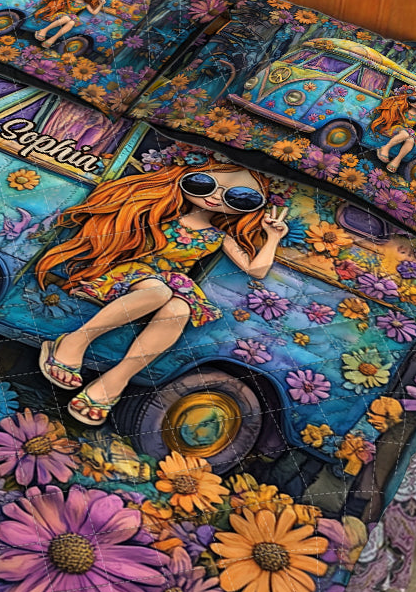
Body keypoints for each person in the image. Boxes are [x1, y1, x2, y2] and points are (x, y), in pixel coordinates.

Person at [33, 161, 289, 426]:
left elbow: (257, 269)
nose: (215, 197)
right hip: (137, 273)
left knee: (179, 310)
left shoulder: (218, 236)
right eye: (204, 184)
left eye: (238, 197)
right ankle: (74, 341)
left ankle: (115, 380)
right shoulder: (163, 213)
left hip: (175, 282)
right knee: (158, 292)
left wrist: (272, 237)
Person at [371, 86, 416, 173]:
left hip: (407, 131)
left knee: (411, 140)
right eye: (413, 99)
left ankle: (397, 160)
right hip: (397, 128)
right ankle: (385, 148)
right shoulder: (404, 109)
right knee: (405, 134)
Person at [33, 0, 105, 49]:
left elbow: (94, 12)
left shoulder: (86, 4)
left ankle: (53, 39)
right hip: (61, 14)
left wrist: (100, 4)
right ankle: (44, 30)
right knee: (66, 18)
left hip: (71, 16)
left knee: (72, 22)